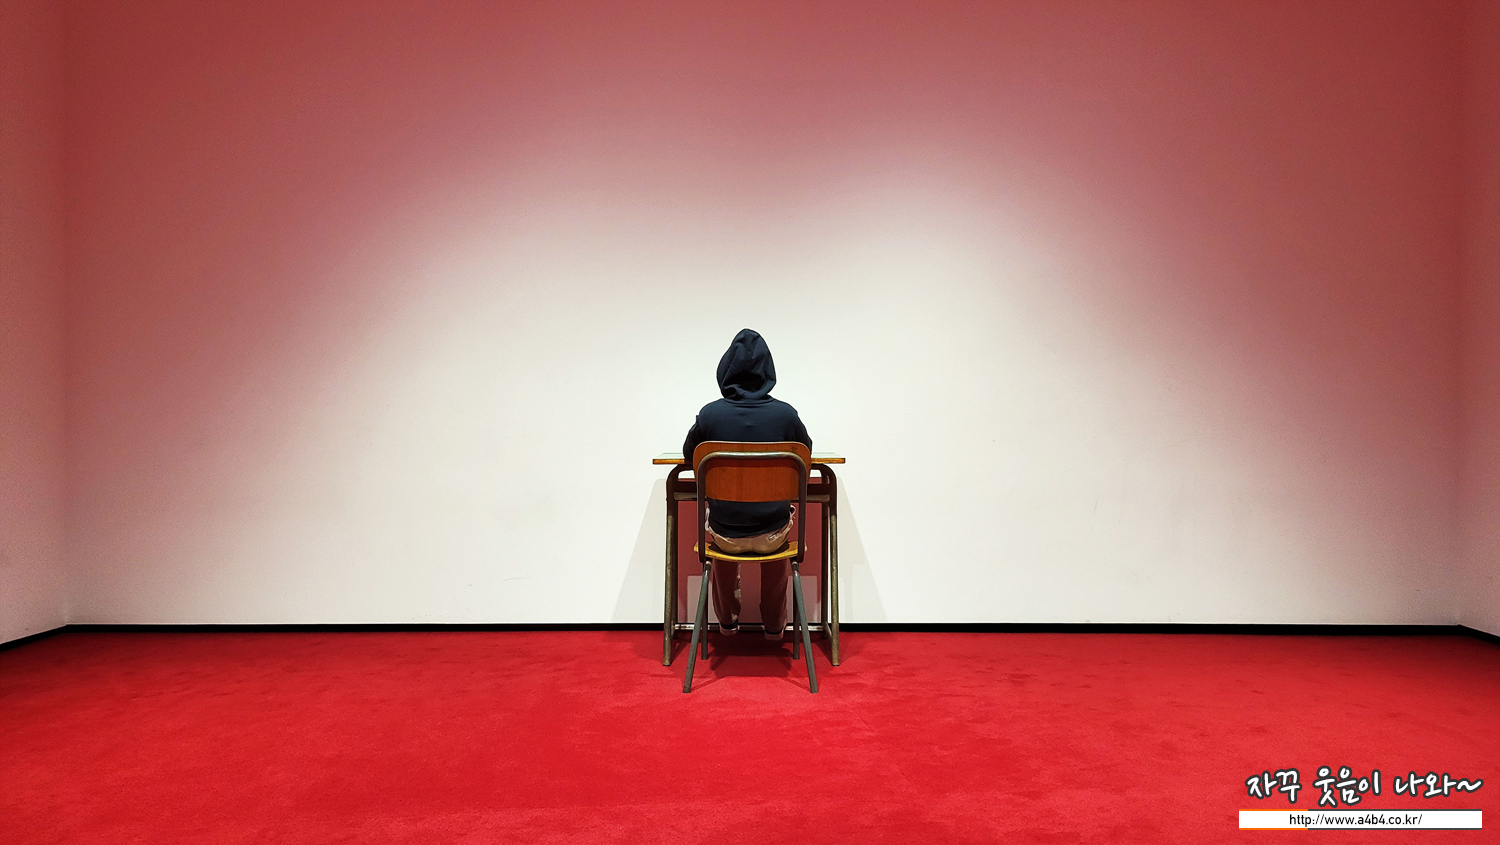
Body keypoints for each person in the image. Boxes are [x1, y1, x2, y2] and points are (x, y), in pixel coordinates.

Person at [683, 329, 812, 641]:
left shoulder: (710, 415)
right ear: (768, 371)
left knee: (721, 533)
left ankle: (727, 621)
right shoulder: (786, 415)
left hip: (725, 535)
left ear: (726, 370)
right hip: (773, 536)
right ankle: (775, 626)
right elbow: (805, 456)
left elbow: (690, 456)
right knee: (778, 540)